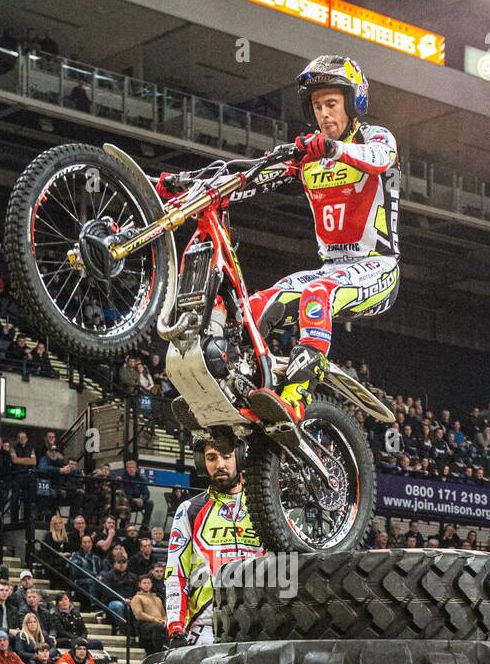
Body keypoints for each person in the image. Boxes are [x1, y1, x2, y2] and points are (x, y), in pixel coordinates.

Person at [161, 55, 399, 434]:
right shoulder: (307, 156)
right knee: (253, 307)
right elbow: (252, 176)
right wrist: (193, 186)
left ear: (354, 103)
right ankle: (239, 392)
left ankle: (297, 397)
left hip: (378, 267)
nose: (324, 114)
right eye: (318, 106)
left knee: (316, 294)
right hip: (330, 268)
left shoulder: (374, 138)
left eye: (332, 104)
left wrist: (332, 149)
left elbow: (380, 158)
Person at [165, 433, 265, 646]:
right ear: (202, 463)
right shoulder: (189, 510)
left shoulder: (265, 508)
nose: (220, 464)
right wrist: (175, 627)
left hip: (259, 624)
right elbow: (176, 573)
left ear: (239, 457)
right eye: (211, 458)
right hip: (206, 627)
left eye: (227, 456)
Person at [130, 573, 167, 652]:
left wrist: (165, 620)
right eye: (144, 583)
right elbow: (139, 614)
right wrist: (154, 619)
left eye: (148, 583)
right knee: (157, 627)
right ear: (139, 585)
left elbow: (164, 614)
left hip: (159, 623)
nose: (146, 585)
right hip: (145, 625)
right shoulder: (137, 597)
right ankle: (158, 651)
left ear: (151, 584)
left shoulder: (157, 598)